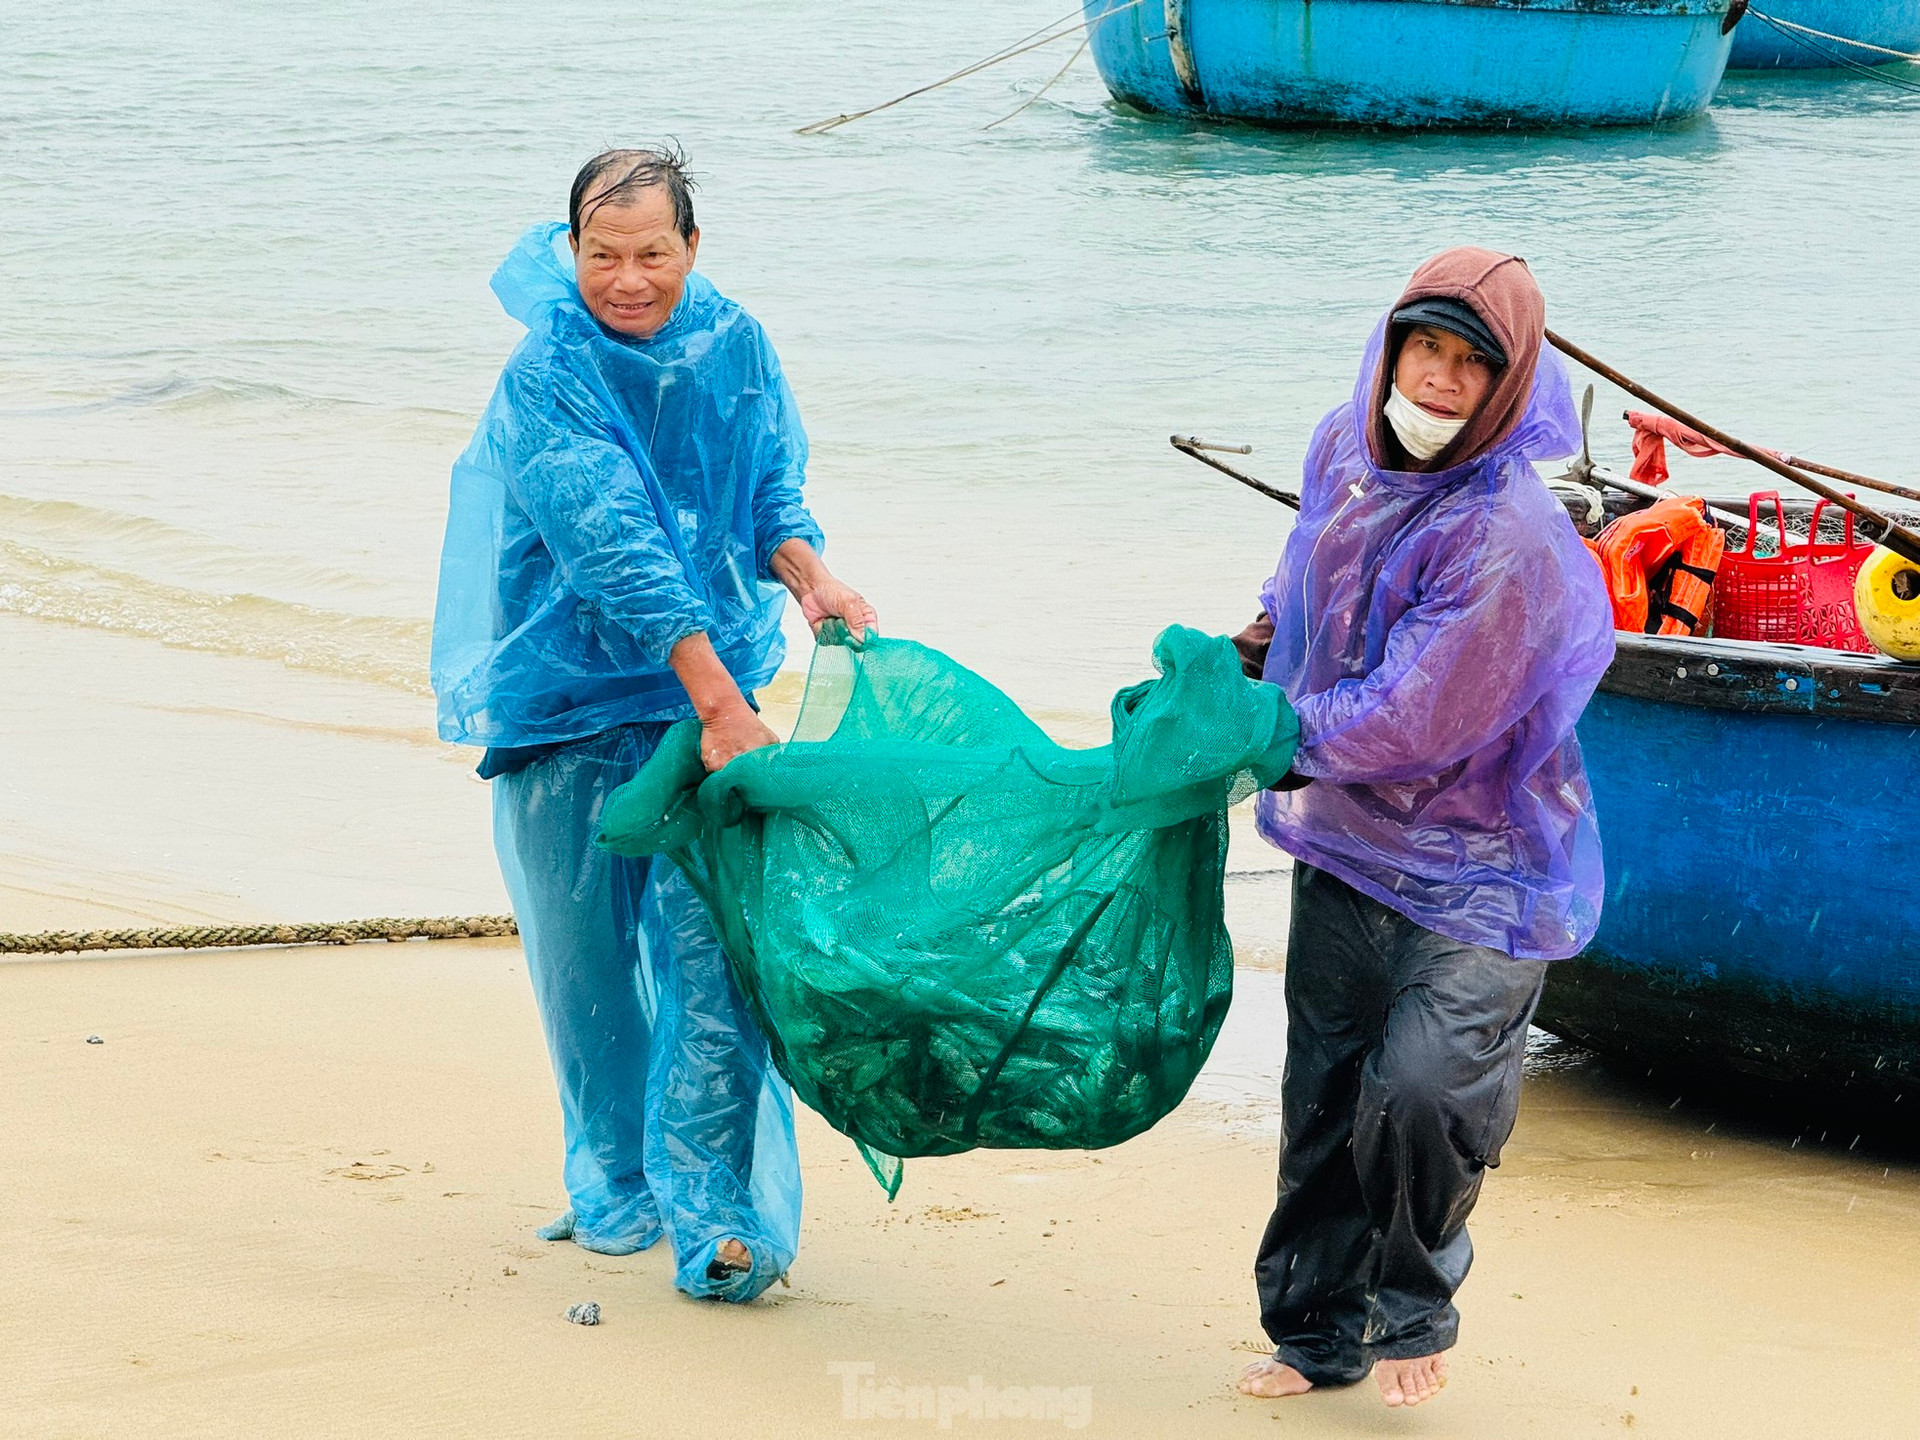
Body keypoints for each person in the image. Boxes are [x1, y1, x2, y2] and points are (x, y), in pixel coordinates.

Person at [432, 146, 874, 1303]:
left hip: (704, 703)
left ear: (693, 247)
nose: (629, 279)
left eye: (653, 254)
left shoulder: (734, 343)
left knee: (716, 969)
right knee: (586, 976)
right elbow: (614, 545)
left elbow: (768, 484)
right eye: (602, 254)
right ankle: (615, 1183)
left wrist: (807, 575)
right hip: (568, 702)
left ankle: (721, 1220)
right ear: (568, 248)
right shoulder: (548, 373)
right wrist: (722, 702)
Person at [1231, 248, 1615, 1405]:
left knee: (1425, 1091)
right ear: (1392, 347)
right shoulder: (1341, 447)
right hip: (1349, 841)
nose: (1441, 381)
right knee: (1327, 1092)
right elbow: (1305, 573)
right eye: (1425, 349)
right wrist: (1248, 647)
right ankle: (1315, 1335)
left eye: (1470, 363)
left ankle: (1414, 1307)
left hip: (1484, 862)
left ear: (1508, 383)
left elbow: (1410, 719)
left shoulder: (1509, 536)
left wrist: (1258, 732)